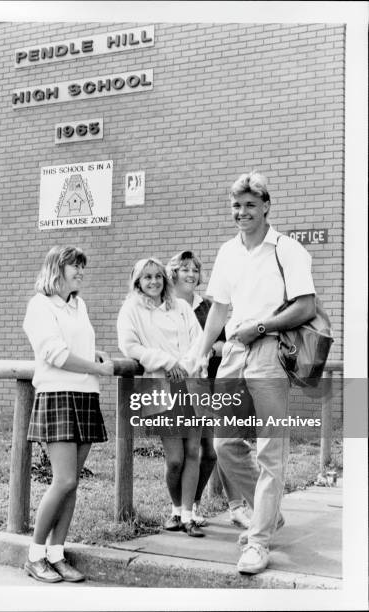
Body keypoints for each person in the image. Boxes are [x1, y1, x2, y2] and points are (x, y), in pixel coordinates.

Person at [192, 171, 316, 574]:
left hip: (269, 352)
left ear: (266, 206)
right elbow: (220, 310)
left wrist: (261, 326)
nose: (241, 212)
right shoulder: (228, 251)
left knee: (270, 449)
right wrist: (200, 350)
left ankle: (258, 541)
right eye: (236, 206)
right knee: (225, 442)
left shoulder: (288, 249)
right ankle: (269, 513)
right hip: (233, 353)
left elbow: (306, 306)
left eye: (249, 205)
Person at [22, 245, 114, 583]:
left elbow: (76, 344)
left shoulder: (79, 305)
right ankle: (34, 556)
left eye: (82, 267)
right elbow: (55, 354)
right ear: (56, 269)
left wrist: (95, 354)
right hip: (58, 396)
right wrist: (96, 367)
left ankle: (57, 554)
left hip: (85, 395)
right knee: (64, 480)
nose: (80, 272)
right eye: (75, 266)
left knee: (71, 485)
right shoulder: (39, 305)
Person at [117, 257, 204, 537]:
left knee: (194, 451)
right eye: (147, 277)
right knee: (175, 458)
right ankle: (176, 508)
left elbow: (199, 340)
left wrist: (186, 366)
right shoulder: (131, 309)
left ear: (165, 279)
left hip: (190, 383)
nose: (153, 281)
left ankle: (189, 515)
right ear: (138, 282)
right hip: (160, 386)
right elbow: (130, 345)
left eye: (158, 276)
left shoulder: (180, 306)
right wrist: (167, 362)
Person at [166, 250, 226, 526]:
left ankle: (194, 503)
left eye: (195, 270)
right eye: (185, 269)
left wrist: (210, 349)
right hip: (175, 388)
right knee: (178, 457)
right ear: (174, 272)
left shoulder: (208, 307)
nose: (191, 274)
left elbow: (227, 345)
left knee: (210, 452)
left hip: (206, 385)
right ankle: (177, 509)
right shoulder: (164, 305)